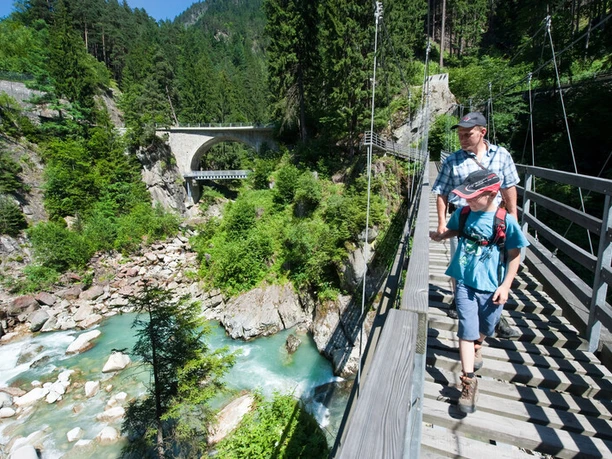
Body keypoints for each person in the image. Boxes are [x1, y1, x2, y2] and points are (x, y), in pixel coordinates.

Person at [429, 170, 528, 414]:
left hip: (492, 286)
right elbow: (456, 229)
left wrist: (506, 286)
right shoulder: (463, 213)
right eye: (466, 196)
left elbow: (515, 255)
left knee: (488, 326)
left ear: (492, 194)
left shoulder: (506, 221)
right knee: (466, 327)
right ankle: (469, 381)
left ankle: (478, 344)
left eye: (473, 197)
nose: (468, 200)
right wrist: (442, 236)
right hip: (464, 280)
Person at [432, 111, 520, 339]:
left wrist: (513, 216)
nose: (462, 138)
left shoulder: (501, 155)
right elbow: (441, 191)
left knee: (496, 267)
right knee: (462, 265)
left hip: (495, 223)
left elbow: (509, 187)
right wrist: (442, 222)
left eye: (467, 134)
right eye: (460, 134)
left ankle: (494, 315)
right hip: (463, 222)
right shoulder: (452, 160)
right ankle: (465, 306)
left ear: (482, 132)